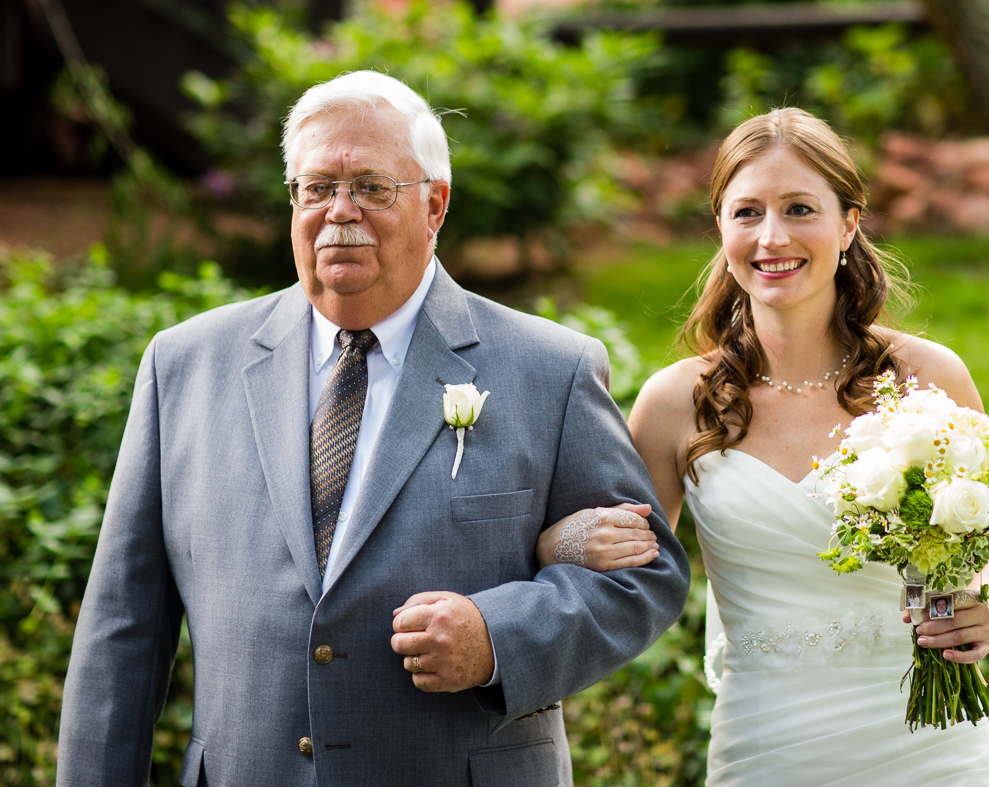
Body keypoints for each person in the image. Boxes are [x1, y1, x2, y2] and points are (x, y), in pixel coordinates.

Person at [55, 70, 690, 787]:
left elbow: (646, 578)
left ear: (435, 205)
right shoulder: (184, 367)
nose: (339, 211)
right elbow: (122, 628)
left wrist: (498, 640)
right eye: (316, 187)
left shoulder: (550, 370)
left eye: (371, 187)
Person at [543, 108, 989, 785]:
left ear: (849, 224)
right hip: (766, 742)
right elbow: (618, 559)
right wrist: (563, 541)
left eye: (798, 209)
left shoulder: (927, 378)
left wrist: (975, 608)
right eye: (747, 212)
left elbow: (980, 549)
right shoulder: (675, 403)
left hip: (927, 742)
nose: (772, 237)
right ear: (721, 227)